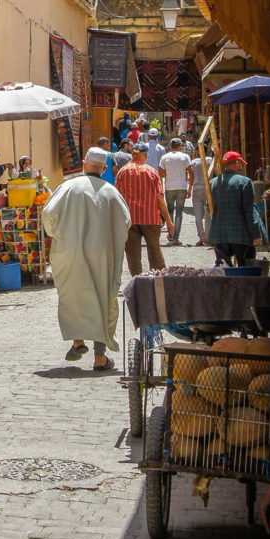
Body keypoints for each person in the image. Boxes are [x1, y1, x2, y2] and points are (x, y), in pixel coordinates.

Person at [41, 146, 131, 371]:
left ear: (84, 164)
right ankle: (100, 358)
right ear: (104, 168)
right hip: (102, 253)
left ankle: (78, 342)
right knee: (102, 297)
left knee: (73, 295)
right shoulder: (111, 191)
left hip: (69, 251)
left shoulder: (68, 187)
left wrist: (56, 233)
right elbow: (125, 221)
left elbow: (48, 214)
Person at [115, 142, 174, 275]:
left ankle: (137, 282)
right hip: (151, 218)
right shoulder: (151, 172)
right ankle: (157, 282)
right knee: (155, 252)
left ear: (132, 154)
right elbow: (159, 198)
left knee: (133, 255)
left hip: (130, 219)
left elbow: (117, 197)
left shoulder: (122, 172)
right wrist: (168, 220)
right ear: (145, 155)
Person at [208, 150, 265, 266]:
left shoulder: (213, 183)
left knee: (223, 270)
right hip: (241, 235)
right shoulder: (245, 182)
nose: (241, 167)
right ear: (237, 163)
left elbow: (208, 206)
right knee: (246, 268)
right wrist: (256, 234)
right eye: (241, 164)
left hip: (219, 234)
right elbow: (249, 211)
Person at [159, 137, 193, 245]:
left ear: (170, 146)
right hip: (182, 187)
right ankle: (176, 237)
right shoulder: (185, 157)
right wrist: (190, 187)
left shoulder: (164, 157)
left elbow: (160, 174)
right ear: (179, 146)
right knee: (179, 213)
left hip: (169, 187)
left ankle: (171, 233)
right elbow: (191, 172)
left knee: (169, 212)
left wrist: (160, 188)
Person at [190, 152, 211, 247]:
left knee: (198, 215)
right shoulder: (209, 160)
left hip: (196, 189)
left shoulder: (193, 162)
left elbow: (191, 175)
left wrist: (190, 187)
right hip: (208, 189)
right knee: (208, 213)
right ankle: (208, 235)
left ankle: (202, 236)